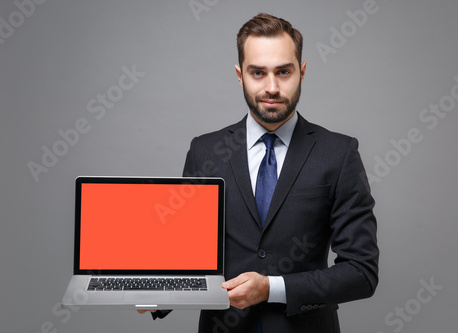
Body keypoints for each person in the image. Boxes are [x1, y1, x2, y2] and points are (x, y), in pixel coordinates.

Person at [142, 13, 379, 333]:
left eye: (283, 72)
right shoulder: (204, 152)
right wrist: (153, 291)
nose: (272, 87)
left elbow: (360, 272)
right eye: (258, 72)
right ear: (240, 75)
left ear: (302, 72)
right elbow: (190, 256)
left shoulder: (338, 154)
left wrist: (272, 288)